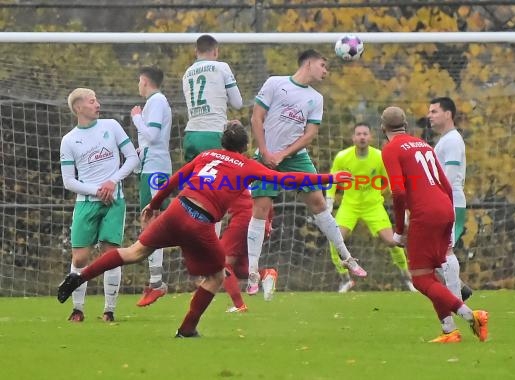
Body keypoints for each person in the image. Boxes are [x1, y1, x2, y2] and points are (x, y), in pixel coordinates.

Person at [58, 123, 348, 337]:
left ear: (222, 142)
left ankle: (79, 277)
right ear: (245, 146)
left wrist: (155, 204)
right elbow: (287, 180)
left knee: (134, 251)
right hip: (199, 220)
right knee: (216, 275)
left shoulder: (207, 155)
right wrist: (330, 178)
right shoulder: (248, 165)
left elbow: (175, 180)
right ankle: (187, 329)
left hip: (176, 210)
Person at [247, 49, 366, 295]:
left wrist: (283, 154)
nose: (325, 71)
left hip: (295, 158)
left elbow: (310, 133)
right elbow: (256, 118)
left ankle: (346, 256)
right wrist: (265, 151)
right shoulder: (275, 83)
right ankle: (252, 272)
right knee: (260, 209)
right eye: (323, 65)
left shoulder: (316, 98)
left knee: (318, 203)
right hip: (266, 155)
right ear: (309, 63)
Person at [380, 106, 488, 343]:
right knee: (432, 275)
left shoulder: (390, 149)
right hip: (444, 207)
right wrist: (446, 211)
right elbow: (446, 185)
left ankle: (471, 315)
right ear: (405, 125)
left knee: (420, 278)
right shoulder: (423, 145)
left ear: (383, 128)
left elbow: (398, 192)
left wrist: (399, 231)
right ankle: (449, 331)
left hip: (425, 213)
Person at [59, 88, 139, 322]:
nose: (98, 104)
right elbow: (68, 181)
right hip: (86, 204)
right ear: (78, 108)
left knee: (111, 254)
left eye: (97, 100)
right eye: (92, 101)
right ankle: (77, 309)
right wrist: (97, 190)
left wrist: (112, 182)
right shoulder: (69, 140)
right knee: (80, 258)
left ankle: (109, 310)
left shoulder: (111, 126)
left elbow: (132, 158)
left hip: (114, 201)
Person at [326, 122, 415, 293]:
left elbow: (392, 181)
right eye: (358, 134)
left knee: (393, 241)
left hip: (373, 206)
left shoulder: (379, 157)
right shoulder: (342, 157)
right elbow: (332, 179)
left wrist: (404, 205)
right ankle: (345, 278)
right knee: (335, 239)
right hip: (349, 206)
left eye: (365, 134)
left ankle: (407, 277)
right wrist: (329, 199)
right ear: (353, 137)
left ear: (370, 137)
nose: (362, 137)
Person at [182, 34, 243, 235]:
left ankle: (190, 246)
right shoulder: (221, 67)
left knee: (194, 195)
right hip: (213, 135)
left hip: (191, 135)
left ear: (196, 51)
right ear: (215, 51)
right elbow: (237, 103)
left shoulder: (187, 72)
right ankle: (211, 250)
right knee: (214, 196)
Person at [130, 66, 173, 307]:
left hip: (157, 169)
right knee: (148, 220)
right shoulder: (154, 102)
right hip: (150, 166)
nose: (138, 85)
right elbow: (149, 140)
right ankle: (155, 282)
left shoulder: (156, 101)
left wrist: (136, 118)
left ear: (145, 81)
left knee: (155, 219)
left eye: (139, 80)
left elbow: (154, 136)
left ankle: (157, 283)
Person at [428, 97, 473, 301]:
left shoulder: (453, 140)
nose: (429, 115)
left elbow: (450, 176)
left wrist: (437, 201)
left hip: (450, 202)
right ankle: (459, 292)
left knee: (443, 252)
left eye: (434, 111)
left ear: (448, 114)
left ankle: (456, 300)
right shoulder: (446, 140)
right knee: (431, 253)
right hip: (444, 201)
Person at [222, 191, 276, 312]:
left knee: (221, 264)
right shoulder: (254, 178)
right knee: (238, 269)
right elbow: (268, 201)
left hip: (243, 220)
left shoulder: (227, 177)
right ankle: (265, 274)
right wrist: (270, 221)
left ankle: (239, 305)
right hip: (261, 221)